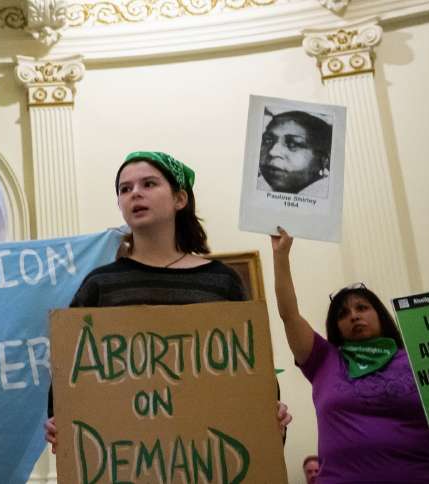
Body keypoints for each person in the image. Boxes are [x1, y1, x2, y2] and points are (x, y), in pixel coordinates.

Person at [44, 151, 291, 452]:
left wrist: (269, 412)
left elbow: (251, 363)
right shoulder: (100, 285)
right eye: (125, 189)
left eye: (149, 184)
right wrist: (60, 420)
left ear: (179, 199)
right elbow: (70, 369)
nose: (135, 193)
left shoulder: (221, 281)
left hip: (210, 455)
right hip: (127, 456)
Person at [271, 227, 429, 483]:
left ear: (380, 314)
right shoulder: (323, 360)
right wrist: (280, 256)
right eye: (343, 314)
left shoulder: (421, 357)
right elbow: (289, 315)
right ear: (336, 326)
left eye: (362, 307)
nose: (354, 315)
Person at [257, 110, 332, 197]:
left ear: (323, 160)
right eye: (268, 140)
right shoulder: (259, 185)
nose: (272, 152)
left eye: (293, 144)